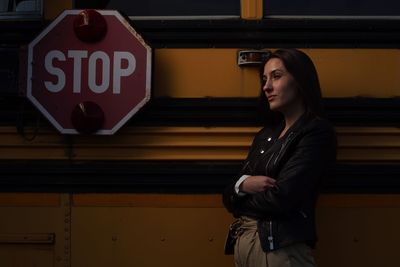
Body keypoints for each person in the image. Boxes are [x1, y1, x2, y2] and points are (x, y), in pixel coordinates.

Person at [223, 48, 336, 267]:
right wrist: (244, 184)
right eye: (264, 79)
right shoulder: (266, 135)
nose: (266, 87)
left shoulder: (316, 132)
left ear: (301, 81)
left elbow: (282, 198)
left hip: (280, 249)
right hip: (245, 244)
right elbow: (228, 194)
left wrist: (239, 194)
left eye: (276, 76)